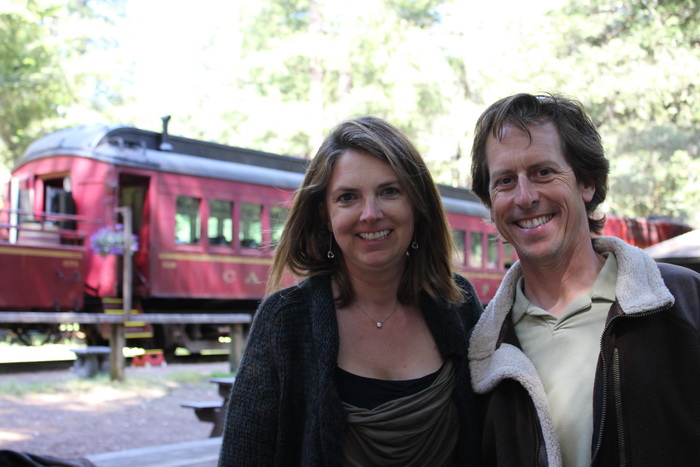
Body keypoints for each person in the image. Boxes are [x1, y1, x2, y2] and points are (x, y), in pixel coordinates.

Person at [218, 116, 483, 466]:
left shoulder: (457, 303)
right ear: (325, 216)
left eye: (390, 191)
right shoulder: (284, 320)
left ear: (417, 205)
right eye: (347, 197)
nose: (370, 214)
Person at [467, 92, 700, 466]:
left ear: (587, 183)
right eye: (506, 181)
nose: (525, 197)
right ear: (491, 205)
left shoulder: (684, 302)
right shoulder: (482, 348)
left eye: (543, 172)